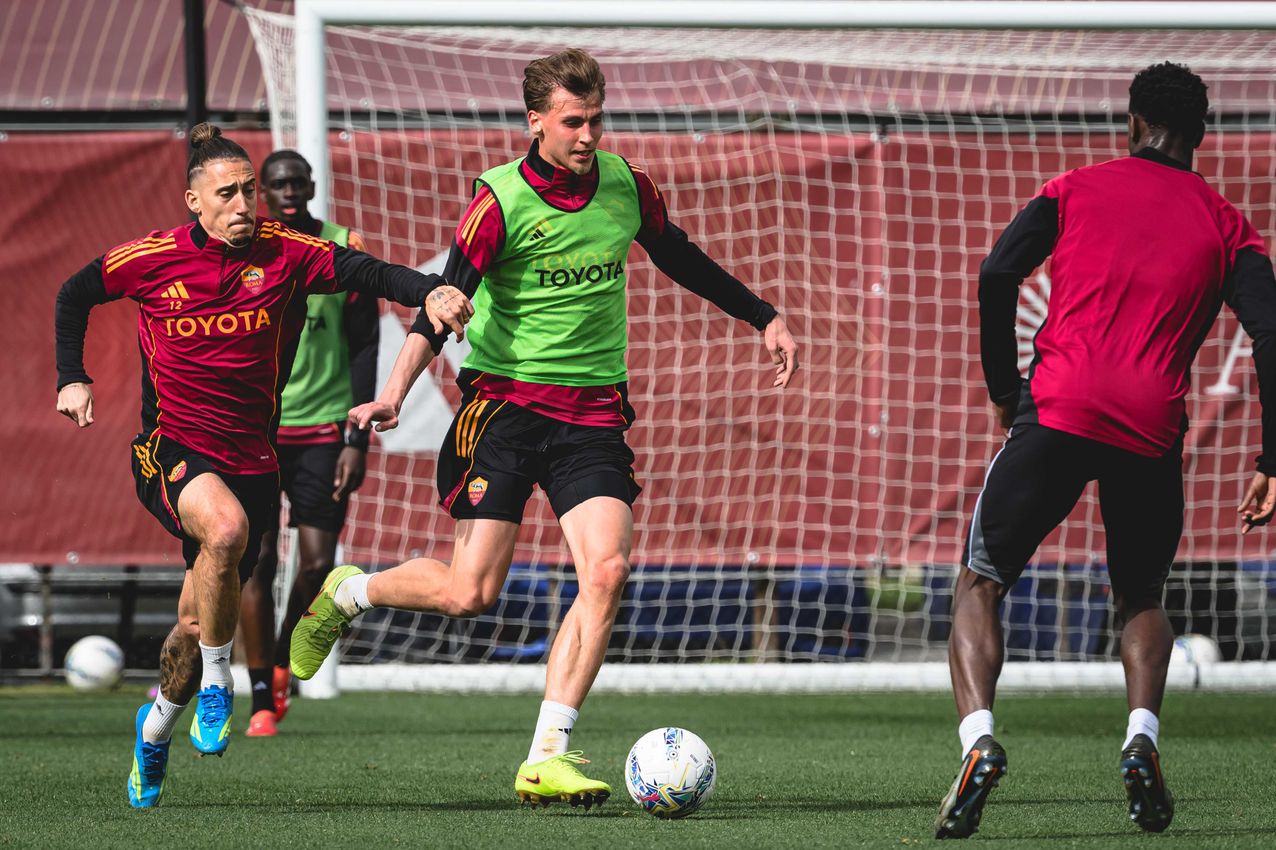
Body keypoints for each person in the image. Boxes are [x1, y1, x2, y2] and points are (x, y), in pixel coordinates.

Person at [290, 48, 799, 809]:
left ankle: (546, 757)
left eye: (597, 120)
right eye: (573, 122)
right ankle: (351, 592)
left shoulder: (627, 185)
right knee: (470, 593)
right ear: (536, 122)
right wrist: (393, 393)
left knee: (607, 571)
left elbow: (680, 257)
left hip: (592, 416)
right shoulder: (498, 201)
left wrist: (765, 317)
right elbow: (443, 303)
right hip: (503, 411)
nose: (588, 135)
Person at [53, 123, 471, 809]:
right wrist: (72, 375)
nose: (244, 203)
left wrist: (430, 288)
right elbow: (74, 294)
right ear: (194, 201)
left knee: (193, 627)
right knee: (224, 531)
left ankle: (154, 732)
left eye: (249, 190)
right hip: (171, 448)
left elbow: (366, 272)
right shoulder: (151, 257)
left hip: (252, 458)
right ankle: (225, 683)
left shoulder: (285, 252)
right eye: (228, 193)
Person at [936, 62, 1276, 839]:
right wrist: (1272, 460)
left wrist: (1003, 386)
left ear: (1131, 124)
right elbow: (1270, 331)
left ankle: (979, 740)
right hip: (1149, 428)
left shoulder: (1073, 189)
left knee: (980, 581)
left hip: (1058, 409)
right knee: (1142, 596)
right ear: (1201, 135)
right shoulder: (1227, 225)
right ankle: (1139, 739)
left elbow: (997, 272)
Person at [239, 150, 377, 738]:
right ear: (263, 192)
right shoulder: (245, 249)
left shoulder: (342, 245)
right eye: (279, 184)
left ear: (313, 185)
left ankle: (279, 660)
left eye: (298, 181)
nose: (290, 191)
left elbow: (365, 343)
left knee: (319, 562)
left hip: (324, 430)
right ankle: (258, 698)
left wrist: (357, 438)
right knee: (257, 559)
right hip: (257, 429)